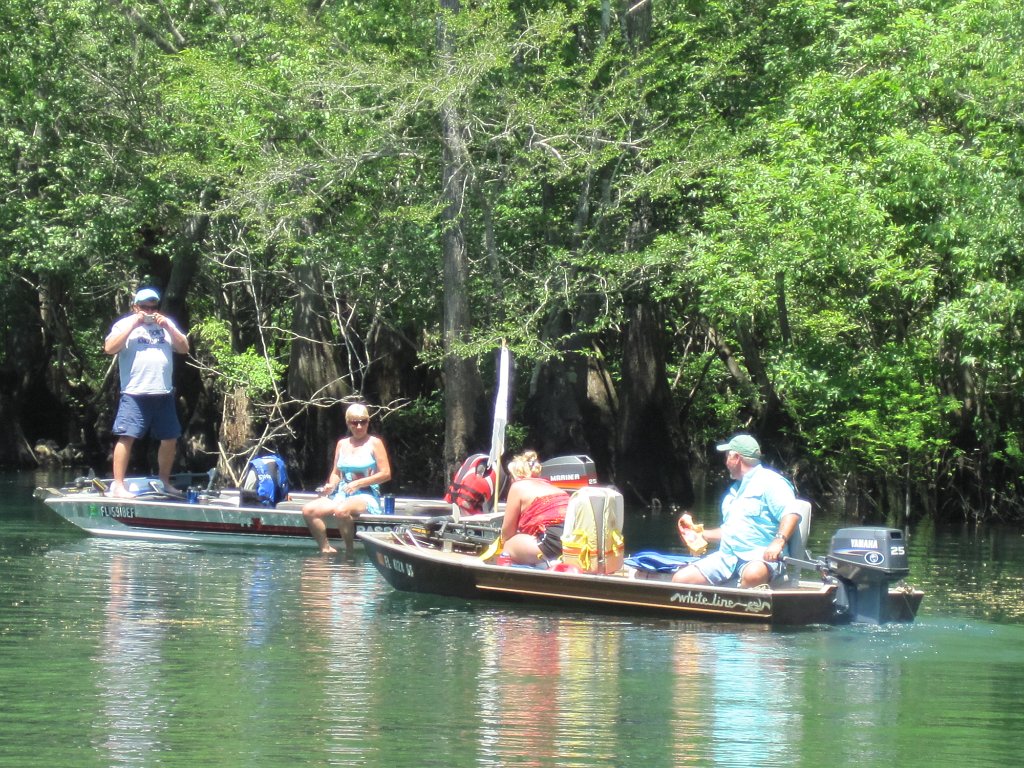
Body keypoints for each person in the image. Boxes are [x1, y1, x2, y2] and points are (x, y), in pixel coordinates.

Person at [672, 434, 801, 588]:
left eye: (727, 456)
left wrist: (778, 541)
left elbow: (791, 513)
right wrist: (699, 534)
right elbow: (729, 532)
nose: (725, 462)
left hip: (760, 557)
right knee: (680, 580)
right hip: (727, 558)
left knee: (752, 575)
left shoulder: (772, 482)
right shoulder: (733, 492)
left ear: (736, 457)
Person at [103, 287, 190, 498]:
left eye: (153, 307)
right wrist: (134, 323)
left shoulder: (166, 326)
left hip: (163, 394)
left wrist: (168, 325)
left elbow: (184, 347)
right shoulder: (124, 325)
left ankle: (164, 482)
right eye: (144, 307)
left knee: (170, 438)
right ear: (135, 307)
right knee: (127, 437)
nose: (149, 311)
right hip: (135, 393)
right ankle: (119, 486)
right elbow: (110, 348)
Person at [302, 403, 392, 555]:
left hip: (366, 495)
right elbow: (336, 473)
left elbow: (386, 474)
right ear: (348, 423)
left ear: (368, 422)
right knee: (308, 510)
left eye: (363, 421)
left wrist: (359, 483)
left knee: (341, 510)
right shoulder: (342, 444)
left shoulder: (374, 443)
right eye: (354, 422)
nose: (359, 426)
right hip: (342, 494)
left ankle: (349, 552)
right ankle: (326, 549)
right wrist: (330, 486)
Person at [499, 451, 570, 566]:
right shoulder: (555, 488)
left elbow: (507, 533)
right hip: (572, 540)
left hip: (553, 541)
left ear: (516, 475)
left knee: (508, 546)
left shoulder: (518, 486)